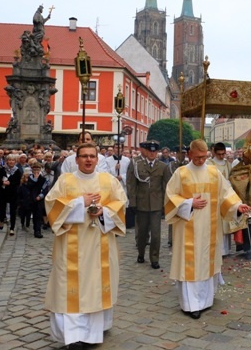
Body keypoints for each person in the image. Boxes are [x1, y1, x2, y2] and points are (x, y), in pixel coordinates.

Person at [44, 142, 127, 347]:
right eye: (84, 156)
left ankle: (91, 335)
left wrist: (103, 212)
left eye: (92, 156)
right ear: (76, 159)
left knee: (95, 288)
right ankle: (72, 337)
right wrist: (80, 201)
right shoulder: (66, 180)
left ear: (97, 159)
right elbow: (51, 206)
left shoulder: (108, 180)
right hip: (70, 246)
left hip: (100, 244)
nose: (88, 159)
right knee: (68, 288)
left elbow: (121, 204)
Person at [164, 139, 251, 319]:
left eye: (204, 157)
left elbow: (226, 194)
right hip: (187, 227)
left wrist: (237, 207)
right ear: (190, 154)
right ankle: (190, 304)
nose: (201, 160)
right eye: (197, 157)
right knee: (190, 264)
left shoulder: (214, 173)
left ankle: (205, 300)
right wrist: (189, 203)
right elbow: (170, 197)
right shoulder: (181, 174)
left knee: (206, 262)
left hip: (210, 229)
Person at [126, 140, 170, 268]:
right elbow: (131, 184)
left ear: (157, 152)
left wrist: (164, 205)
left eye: (154, 151)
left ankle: (154, 259)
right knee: (142, 233)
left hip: (156, 205)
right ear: (146, 151)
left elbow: (166, 187)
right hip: (141, 204)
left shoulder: (163, 166)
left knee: (156, 234)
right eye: (150, 151)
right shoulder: (137, 165)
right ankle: (141, 253)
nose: (152, 154)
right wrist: (132, 202)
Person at [207, 142, 233, 255]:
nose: (222, 156)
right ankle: (216, 250)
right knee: (216, 223)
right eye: (219, 154)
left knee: (225, 223)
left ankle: (225, 250)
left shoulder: (227, 164)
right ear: (214, 152)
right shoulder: (209, 163)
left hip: (225, 197)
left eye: (223, 154)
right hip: (214, 197)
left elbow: (231, 177)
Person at [0, 154, 23, 236]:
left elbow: (18, 182)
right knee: (2, 208)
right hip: (3, 192)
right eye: (9, 160)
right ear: (7, 161)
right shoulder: (3, 169)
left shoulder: (17, 170)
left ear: (15, 161)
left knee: (13, 211)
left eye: (13, 160)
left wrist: (10, 183)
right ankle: (2, 220)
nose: (11, 162)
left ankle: (12, 228)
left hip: (13, 193)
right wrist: (2, 182)